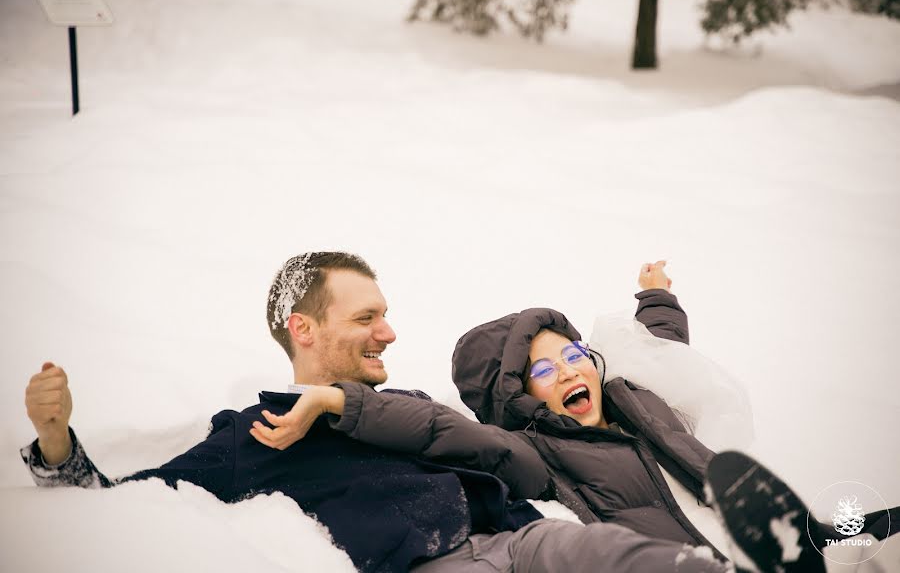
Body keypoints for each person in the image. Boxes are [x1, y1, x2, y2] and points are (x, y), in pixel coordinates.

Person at [23, 252, 732, 573]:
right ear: (305, 330)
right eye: (368, 317)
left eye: (387, 316)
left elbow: (494, 444)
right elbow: (130, 508)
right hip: (436, 567)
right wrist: (57, 444)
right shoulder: (251, 433)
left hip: (523, 543)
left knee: (614, 557)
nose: (389, 333)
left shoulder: (407, 405)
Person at [448, 261, 899, 573]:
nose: (569, 370)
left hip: (747, 531)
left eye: (573, 354)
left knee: (884, 536)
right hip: (687, 562)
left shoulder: (631, 398)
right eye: (544, 370)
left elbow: (662, 349)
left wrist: (656, 295)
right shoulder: (530, 450)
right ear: (517, 399)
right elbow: (443, 437)